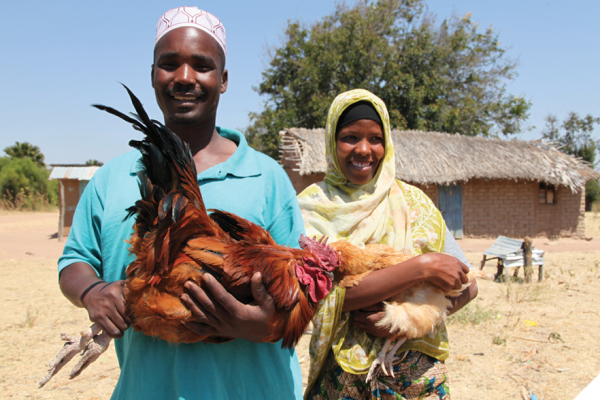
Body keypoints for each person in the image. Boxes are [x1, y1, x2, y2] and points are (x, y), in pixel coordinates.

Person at [57, 7, 304, 400]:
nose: (185, 77)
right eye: (169, 64)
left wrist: (262, 325)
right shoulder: (112, 179)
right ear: (153, 74)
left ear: (222, 80)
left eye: (202, 66)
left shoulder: (267, 178)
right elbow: (74, 260)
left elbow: (302, 294)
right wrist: (92, 292)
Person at [298, 89, 477, 399]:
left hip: (415, 378)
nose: (364, 149)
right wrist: (421, 267)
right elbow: (314, 295)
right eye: (350, 137)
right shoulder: (308, 208)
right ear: (332, 141)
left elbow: (468, 286)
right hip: (340, 382)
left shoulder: (413, 203)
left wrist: (407, 323)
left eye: (375, 139)